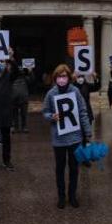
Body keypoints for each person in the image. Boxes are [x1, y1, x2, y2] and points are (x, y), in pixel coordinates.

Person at [42, 64, 92, 209]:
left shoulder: (75, 91)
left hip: (75, 137)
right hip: (59, 138)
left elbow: (83, 112)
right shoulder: (51, 94)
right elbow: (44, 112)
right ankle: (61, 196)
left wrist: (87, 132)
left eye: (64, 76)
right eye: (59, 76)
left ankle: (72, 195)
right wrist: (52, 116)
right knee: (60, 168)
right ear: (55, 78)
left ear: (69, 78)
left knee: (74, 168)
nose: (62, 79)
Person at [12, 66, 34, 133]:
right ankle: (16, 127)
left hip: (23, 99)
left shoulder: (25, 78)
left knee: (24, 114)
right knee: (14, 115)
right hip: (14, 100)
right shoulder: (12, 78)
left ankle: (24, 127)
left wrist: (30, 72)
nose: (20, 72)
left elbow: (32, 80)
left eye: (21, 71)